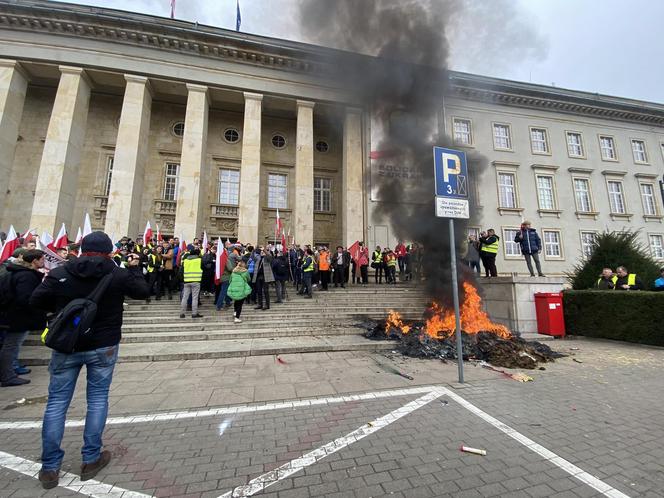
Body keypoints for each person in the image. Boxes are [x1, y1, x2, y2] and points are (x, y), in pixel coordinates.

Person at [30, 231, 149, 489]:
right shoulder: (116, 272)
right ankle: (91, 458)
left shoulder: (61, 271)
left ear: (82, 249)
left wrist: (61, 311)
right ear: (109, 251)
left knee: (56, 404)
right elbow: (141, 291)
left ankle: (50, 467)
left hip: (66, 345)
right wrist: (136, 268)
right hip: (103, 345)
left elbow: (36, 300)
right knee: (97, 400)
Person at [0, 249, 46, 387]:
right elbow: (26, 298)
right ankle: (7, 375)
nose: (44, 262)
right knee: (11, 346)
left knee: (11, 346)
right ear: (34, 261)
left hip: (11, 316)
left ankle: (8, 372)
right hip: (17, 318)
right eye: (42, 259)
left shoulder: (15, 272)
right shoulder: (26, 276)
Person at [179, 248, 203, 318]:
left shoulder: (185, 261)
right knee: (194, 298)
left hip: (186, 281)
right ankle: (194, 313)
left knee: (184, 297)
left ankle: (182, 313)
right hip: (196, 281)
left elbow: (182, 270)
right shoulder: (199, 260)